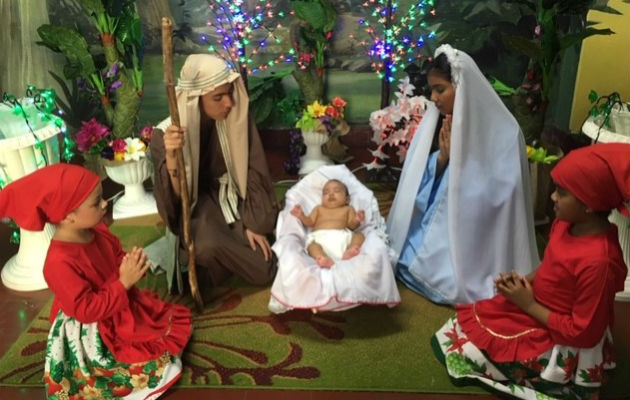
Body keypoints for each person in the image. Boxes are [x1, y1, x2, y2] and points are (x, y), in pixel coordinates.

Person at [432, 143, 629, 399]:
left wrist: (526, 303)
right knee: (468, 323)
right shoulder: (565, 223)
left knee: (474, 353)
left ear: (589, 204)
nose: (552, 197)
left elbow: (583, 331)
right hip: (537, 306)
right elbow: (552, 265)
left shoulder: (599, 262)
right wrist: (525, 282)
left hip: (561, 332)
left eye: (561, 192)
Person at [0, 164, 192, 400]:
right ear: (68, 215)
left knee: (160, 330)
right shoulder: (58, 263)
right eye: (96, 202)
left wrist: (129, 264)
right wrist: (122, 283)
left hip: (116, 302)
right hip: (91, 326)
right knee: (146, 365)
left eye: (102, 197)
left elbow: (114, 255)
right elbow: (85, 309)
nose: (104, 204)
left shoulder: (96, 230)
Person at [386, 44, 539, 305]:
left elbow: (504, 187)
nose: (433, 98)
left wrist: (464, 170)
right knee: (407, 254)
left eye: (440, 90)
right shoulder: (445, 120)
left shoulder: (506, 131)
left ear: (462, 87)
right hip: (443, 214)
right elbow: (422, 180)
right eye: (432, 90)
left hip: (481, 219)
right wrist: (444, 159)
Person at [151, 54, 279, 290]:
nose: (228, 103)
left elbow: (254, 170)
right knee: (206, 248)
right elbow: (175, 202)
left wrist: (253, 224)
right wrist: (171, 156)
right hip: (197, 205)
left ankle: (218, 260)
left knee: (263, 268)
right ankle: (211, 257)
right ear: (195, 100)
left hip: (231, 194)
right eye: (218, 97)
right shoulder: (163, 136)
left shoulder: (235, 117)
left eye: (229, 93)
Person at [290, 179, 365, 268]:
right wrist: (301, 215)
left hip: (342, 237)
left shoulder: (348, 209)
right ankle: (323, 258)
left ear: (347, 199)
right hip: (320, 239)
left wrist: (356, 219)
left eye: (336, 191)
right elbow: (310, 222)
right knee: (312, 246)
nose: (331, 194)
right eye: (326, 192)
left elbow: (351, 226)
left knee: (359, 236)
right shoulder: (319, 209)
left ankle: (349, 251)